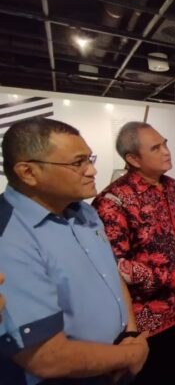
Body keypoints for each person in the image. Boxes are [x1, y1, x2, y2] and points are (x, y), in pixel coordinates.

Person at [0, 117, 149, 385]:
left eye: (90, 159)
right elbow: (46, 357)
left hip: (116, 358)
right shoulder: (8, 237)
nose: (92, 171)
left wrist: (129, 334)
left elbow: (111, 275)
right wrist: (130, 355)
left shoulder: (84, 211)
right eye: (78, 162)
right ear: (28, 172)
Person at [92, 122, 175, 385]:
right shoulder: (113, 201)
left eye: (165, 144)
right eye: (155, 148)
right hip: (146, 319)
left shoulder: (172, 186)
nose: (166, 151)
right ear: (133, 159)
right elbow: (117, 266)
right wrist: (173, 278)